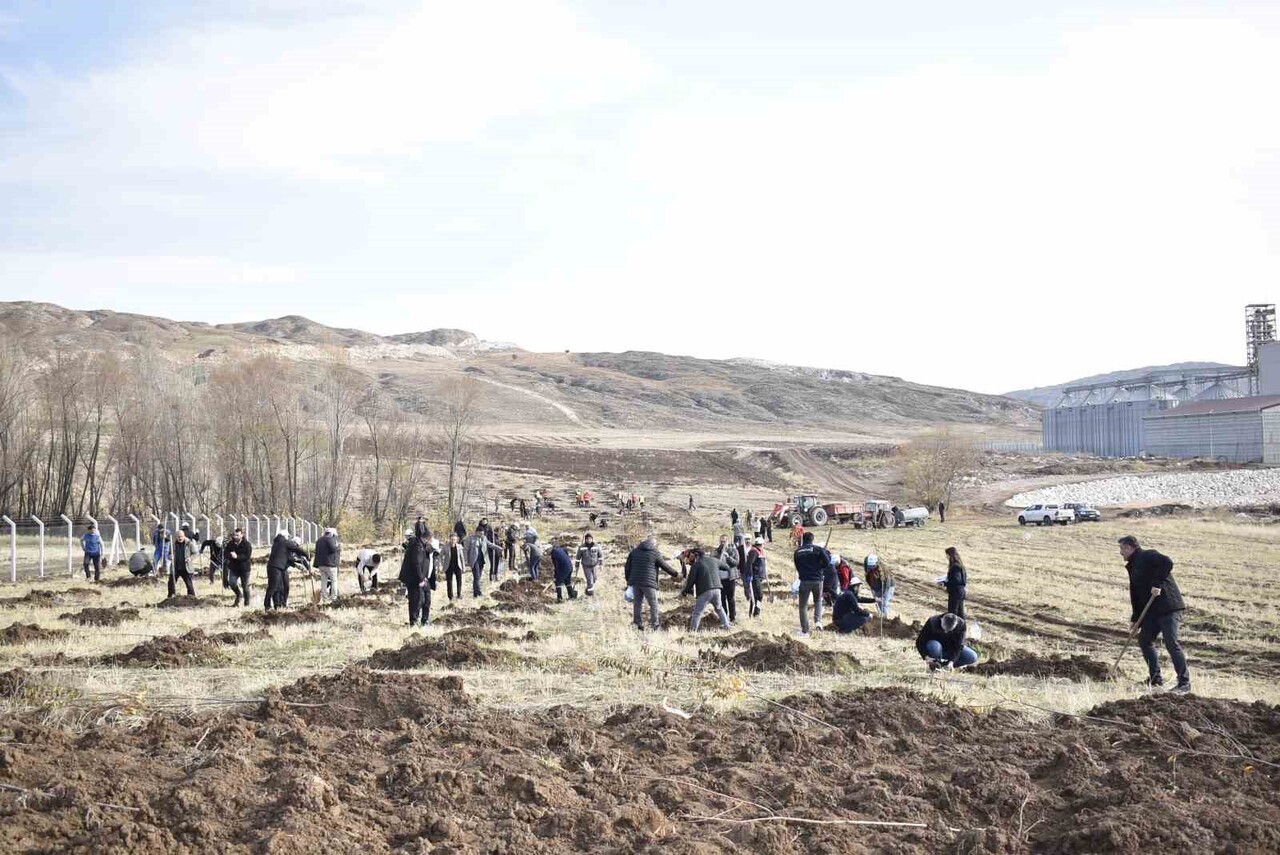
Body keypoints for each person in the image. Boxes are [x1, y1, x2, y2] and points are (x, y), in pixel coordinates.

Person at [1120, 535, 1190, 692]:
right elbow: (1136, 595)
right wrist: (1135, 618)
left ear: (1129, 548)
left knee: (1171, 642)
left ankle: (1184, 683)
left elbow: (1167, 563)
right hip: (1152, 612)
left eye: (1122, 549)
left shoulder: (1148, 555)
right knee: (1145, 640)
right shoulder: (1132, 566)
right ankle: (1155, 678)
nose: (1120, 553)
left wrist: (1157, 584)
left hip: (1168, 607)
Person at [624, 535, 679, 630]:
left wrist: (629, 580)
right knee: (653, 604)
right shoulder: (655, 553)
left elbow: (627, 567)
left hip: (636, 582)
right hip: (649, 583)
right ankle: (655, 625)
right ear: (653, 544)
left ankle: (637, 624)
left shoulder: (634, 552)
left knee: (637, 603)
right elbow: (665, 566)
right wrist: (676, 574)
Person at [681, 547, 731, 630]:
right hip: (717, 589)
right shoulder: (713, 560)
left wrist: (685, 591)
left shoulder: (696, 565)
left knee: (697, 613)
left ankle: (693, 631)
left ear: (696, 556)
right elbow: (727, 567)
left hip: (705, 591)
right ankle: (726, 626)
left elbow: (691, 581)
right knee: (719, 608)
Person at [792, 532, 831, 636]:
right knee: (818, 600)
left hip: (804, 581)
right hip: (818, 581)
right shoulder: (818, 549)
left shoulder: (797, 552)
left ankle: (805, 630)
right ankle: (818, 621)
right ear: (812, 540)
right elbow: (828, 563)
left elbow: (797, 566)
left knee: (803, 606)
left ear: (803, 540)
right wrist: (822, 564)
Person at [265, 530, 306, 611]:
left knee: (279, 587)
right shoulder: (284, 542)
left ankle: (278, 605)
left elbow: (288, 558)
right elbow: (296, 549)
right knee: (273, 587)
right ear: (284, 536)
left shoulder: (278, 543)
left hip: (277, 567)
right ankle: (267, 605)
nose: (288, 538)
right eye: (287, 536)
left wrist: (298, 564)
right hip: (276, 568)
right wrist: (306, 554)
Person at [399, 529, 429, 627]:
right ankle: (414, 622)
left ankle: (422, 620)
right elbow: (416, 564)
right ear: (426, 539)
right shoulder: (417, 547)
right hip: (414, 579)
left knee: (424, 599)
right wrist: (421, 578)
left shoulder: (421, 546)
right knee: (416, 600)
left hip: (422, 578)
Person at [463, 525, 497, 597]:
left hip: (481, 560)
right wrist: (465, 560)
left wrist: (498, 548)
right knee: (477, 576)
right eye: (480, 533)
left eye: (483, 533)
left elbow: (490, 544)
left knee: (478, 577)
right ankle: (479, 593)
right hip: (474, 560)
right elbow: (465, 550)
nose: (482, 535)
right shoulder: (470, 539)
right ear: (476, 532)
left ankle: (475, 594)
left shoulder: (484, 538)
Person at [714, 534, 739, 624]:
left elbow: (736, 563)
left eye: (724, 541)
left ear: (728, 541)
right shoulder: (717, 551)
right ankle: (724, 618)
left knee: (730, 598)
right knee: (722, 599)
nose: (722, 543)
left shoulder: (733, 550)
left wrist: (728, 557)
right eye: (721, 541)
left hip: (730, 579)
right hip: (720, 579)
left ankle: (732, 618)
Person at [224, 528, 252, 606]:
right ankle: (238, 594)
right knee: (232, 583)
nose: (235, 537)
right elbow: (226, 553)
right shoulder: (230, 544)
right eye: (234, 535)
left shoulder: (247, 544)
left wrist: (237, 557)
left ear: (242, 535)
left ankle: (246, 603)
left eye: (237, 535)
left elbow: (247, 556)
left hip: (244, 569)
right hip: (234, 568)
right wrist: (230, 555)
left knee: (245, 586)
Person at [168, 528, 196, 598]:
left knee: (189, 584)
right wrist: (170, 556)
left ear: (184, 536)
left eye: (181, 536)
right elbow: (168, 554)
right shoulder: (172, 544)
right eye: (179, 537)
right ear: (176, 537)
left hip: (185, 567)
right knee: (171, 583)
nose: (180, 538)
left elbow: (195, 553)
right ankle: (171, 597)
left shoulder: (189, 543)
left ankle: (192, 597)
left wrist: (190, 558)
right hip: (175, 567)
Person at [315, 527, 340, 602]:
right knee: (334, 581)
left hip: (321, 564)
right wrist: (338, 547)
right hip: (330, 564)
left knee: (324, 581)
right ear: (332, 534)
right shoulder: (330, 539)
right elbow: (333, 549)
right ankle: (333, 598)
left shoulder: (319, 540)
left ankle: (324, 598)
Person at [744, 537, 766, 617]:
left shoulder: (760, 551)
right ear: (761, 544)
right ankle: (756, 613)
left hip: (759, 576)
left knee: (757, 596)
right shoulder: (754, 551)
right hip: (755, 576)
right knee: (759, 595)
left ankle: (754, 613)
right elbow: (749, 564)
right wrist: (749, 575)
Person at [944, 547, 966, 618]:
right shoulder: (960, 565)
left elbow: (956, 580)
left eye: (947, 555)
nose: (946, 557)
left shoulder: (955, 567)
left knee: (952, 613)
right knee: (960, 612)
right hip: (961, 591)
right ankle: (962, 627)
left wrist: (945, 583)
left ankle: (953, 628)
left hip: (955, 592)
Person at [443, 533, 466, 600]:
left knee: (459, 581)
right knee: (449, 582)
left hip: (457, 566)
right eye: (452, 539)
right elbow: (441, 556)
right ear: (449, 539)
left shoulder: (459, 547)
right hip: (448, 566)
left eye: (454, 540)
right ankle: (450, 596)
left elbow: (462, 557)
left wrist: (463, 567)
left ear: (456, 540)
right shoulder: (445, 547)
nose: (453, 541)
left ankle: (459, 594)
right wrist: (442, 565)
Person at [479, 518, 500, 582]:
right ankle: (491, 576)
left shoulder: (490, 529)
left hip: (496, 549)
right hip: (490, 548)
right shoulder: (481, 528)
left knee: (497, 562)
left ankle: (496, 575)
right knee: (492, 563)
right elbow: (486, 540)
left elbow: (498, 542)